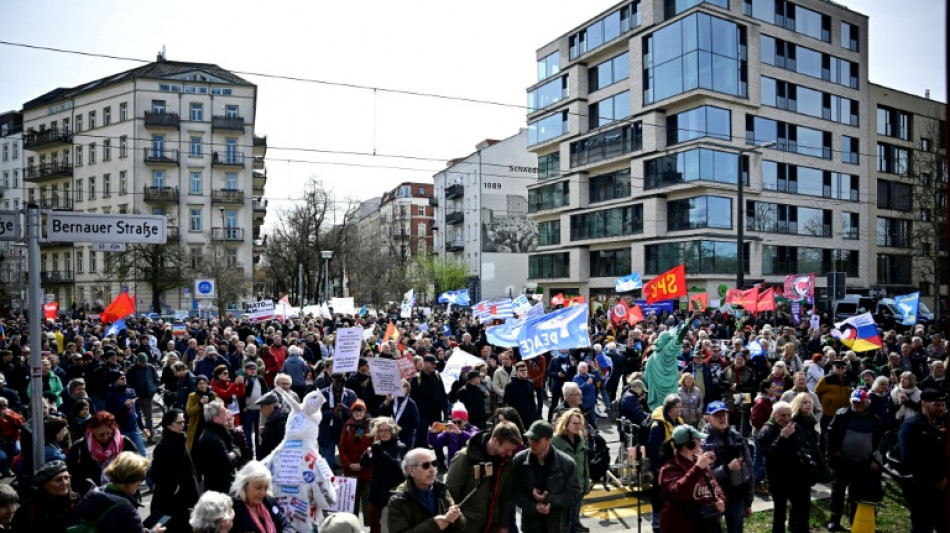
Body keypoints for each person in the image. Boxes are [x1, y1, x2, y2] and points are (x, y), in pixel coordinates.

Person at [445, 420, 522, 533]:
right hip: (467, 527)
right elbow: (450, 495)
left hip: (492, 526)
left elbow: (505, 496)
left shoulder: (506, 462)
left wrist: (503, 524)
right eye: (507, 449)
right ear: (495, 441)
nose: (510, 454)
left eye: (512, 450)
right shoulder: (465, 458)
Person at [824, 388, 883, 531]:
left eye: (861, 403)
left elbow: (880, 442)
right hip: (842, 463)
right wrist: (833, 452)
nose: (858, 406)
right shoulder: (841, 415)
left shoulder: (874, 420)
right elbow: (829, 434)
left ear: (867, 404)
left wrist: (876, 461)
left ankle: (854, 520)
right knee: (837, 492)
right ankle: (834, 520)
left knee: (856, 495)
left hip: (863, 464)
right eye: (855, 403)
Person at [512, 420, 581, 533]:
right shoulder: (519, 461)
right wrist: (535, 506)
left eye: (536, 440)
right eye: (530, 439)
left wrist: (548, 499)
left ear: (549, 440)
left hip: (558, 527)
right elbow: (515, 492)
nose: (532, 443)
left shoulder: (567, 464)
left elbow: (573, 494)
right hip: (531, 527)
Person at [657, 425, 726, 533]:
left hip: (704, 525)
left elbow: (715, 485)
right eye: (697, 438)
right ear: (689, 443)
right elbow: (679, 492)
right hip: (681, 527)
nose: (700, 441)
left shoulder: (698, 461)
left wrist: (721, 500)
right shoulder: (669, 468)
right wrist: (698, 468)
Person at [756, 401, 811, 533]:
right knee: (780, 512)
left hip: (797, 476)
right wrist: (782, 437)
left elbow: (804, 445)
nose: (786, 419)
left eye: (788, 415)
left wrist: (804, 456)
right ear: (774, 415)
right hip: (778, 478)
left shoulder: (795, 427)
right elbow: (768, 454)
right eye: (782, 416)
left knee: (801, 510)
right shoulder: (766, 431)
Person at [898, 388, 948, 533]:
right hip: (919, 485)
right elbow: (909, 459)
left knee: (942, 523)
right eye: (936, 404)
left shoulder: (942, 425)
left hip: (942, 485)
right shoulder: (911, 426)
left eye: (942, 404)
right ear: (924, 404)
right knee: (922, 525)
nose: (940, 408)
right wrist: (936, 478)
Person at [388, 447, 466, 533]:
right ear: (411, 470)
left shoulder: (441, 490)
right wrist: (432, 526)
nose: (432, 469)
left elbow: (460, 527)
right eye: (426, 465)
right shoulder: (398, 500)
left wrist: (457, 517)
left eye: (434, 463)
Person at [702, 401, 753, 533]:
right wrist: (727, 468)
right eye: (717, 415)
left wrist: (748, 501)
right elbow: (706, 475)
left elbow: (749, 470)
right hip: (713, 499)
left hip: (736, 497)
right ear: (708, 417)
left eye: (724, 414)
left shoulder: (737, 437)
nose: (722, 418)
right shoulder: (703, 441)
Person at [65, 410, 139, 495]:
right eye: (101, 434)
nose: (105, 437)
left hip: (123, 493)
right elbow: (70, 472)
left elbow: (138, 467)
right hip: (91, 496)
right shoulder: (80, 446)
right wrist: (83, 488)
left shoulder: (124, 442)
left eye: (109, 433)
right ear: (92, 430)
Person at [76, 451, 152, 532]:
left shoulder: (92, 496)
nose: (140, 483)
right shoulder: (127, 511)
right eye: (139, 479)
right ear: (130, 480)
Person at [150, 409, 200, 533]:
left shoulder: (179, 438)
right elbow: (156, 474)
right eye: (179, 423)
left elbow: (187, 464)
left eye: (183, 422)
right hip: (173, 500)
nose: (183, 425)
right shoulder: (163, 446)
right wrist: (175, 488)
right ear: (168, 424)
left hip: (185, 494)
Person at [360, 417, 408, 533]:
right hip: (377, 489)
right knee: (374, 523)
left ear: (393, 431)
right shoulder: (376, 445)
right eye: (381, 431)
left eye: (387, 430)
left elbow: (397, 467)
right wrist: (367, 454)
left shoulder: (400, 446)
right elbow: (363, 464)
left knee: (396, 525)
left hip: (393, 490)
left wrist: (381, 454)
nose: (384, 433)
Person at [551, 408, 591, 533]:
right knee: (564, 522)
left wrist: (585, 485)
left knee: (574, 518)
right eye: (574, 423)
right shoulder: (555, 441)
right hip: (563, 490)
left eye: (579, 424)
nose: (577, 426)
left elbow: (584, 464)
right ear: (566, 423)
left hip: (578, 487)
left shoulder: (581, 439)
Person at [12, 460, 79, 531]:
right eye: (58, 480)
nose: (65, 482)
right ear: (44, 485)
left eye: (66, 478)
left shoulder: (75, 499)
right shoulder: (29, 509)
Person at [228, 461, 293, 533]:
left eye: (266, 488)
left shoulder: (268, 501)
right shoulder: (232, 508)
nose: (263, 493)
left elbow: (286, 524)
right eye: (258, 487)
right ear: (244, 485)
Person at [338, 399, 373, 524]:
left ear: (365, 411)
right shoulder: (347, 426)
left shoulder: (371, 425)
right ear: (351, 412)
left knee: (368, 504)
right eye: (355, 411)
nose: (358, 413)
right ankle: (353, 527)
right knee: (351, 504)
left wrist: (363, 464)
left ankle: (370, 528)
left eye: (361, 410)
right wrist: (349, 464)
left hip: (367, 472)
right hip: (351, 472)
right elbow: (342, 448)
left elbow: (375, 447)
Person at [196, 400, 241, 494]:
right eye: (224, 414)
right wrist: (234, 454)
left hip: (225, 484)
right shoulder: (212, 439)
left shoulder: (221, 432)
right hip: (219, 490)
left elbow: (237, 448)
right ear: (215, 418)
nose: (227, 417)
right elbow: (228, 463)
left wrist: (233, 453)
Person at [319, 373, 358, 468]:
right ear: (332, 380)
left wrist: (344, 409)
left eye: (343, 382)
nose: (340, 384)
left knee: (349, 463)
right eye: (338, 381)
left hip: (345, 431)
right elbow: (315, 414)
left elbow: (357, 414)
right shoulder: (322, 394)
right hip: (327, 432)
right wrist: (332, 413)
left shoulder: (351, 394)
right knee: (326, 464)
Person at [127, 352, 161, 444]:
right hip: (135, 398)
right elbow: (128, 383)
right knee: (135, 418)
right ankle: (136, 438)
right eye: (141, 362)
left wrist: (154, 389)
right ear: (137, 361)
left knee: (148, 418)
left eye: (144, 362)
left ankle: (150, 437)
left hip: (147, 397)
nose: (143, 364)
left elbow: (156, 379)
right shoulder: (132, 370)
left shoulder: (151, 368)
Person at [377, 380, 420, 448]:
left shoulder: (411, 403)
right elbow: (381, 414)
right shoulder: (392, 400)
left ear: (408, 390)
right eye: (398, 386)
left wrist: (401, 427)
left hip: (405, 436)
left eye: (403, 386)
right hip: (392, 434)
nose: (400, 388)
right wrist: (387, 402)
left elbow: (415, 422)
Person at [815, 360, 852, 436]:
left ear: (845, 369)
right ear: (833, 368)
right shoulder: (825, 379)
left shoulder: (847, 380)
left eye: (842, 367)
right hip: (828, 414)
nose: (840, 369)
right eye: (838, 367)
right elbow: (816, 394)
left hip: (842, 414)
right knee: (825, 435)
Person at [241, 361, 268, 454]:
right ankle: (249, 454)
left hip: (259, 410)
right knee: (247, 434)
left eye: (254, 369)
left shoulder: (260, 379)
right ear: (246, 370)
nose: (252, 371)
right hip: (248, 410)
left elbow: (266, 393)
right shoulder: (243, 380)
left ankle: (259, 454)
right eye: (250, 369)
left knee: (259, 434)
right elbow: (241, 395)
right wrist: (243, 407)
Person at [186, 375, 216, 452]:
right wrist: (199, 404)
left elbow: (218, 410)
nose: (202, 385)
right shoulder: (192, 396)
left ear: (207, 384)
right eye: (200, 383)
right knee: (195, 451)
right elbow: (189, 412)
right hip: (197, 428)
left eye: (204, 383)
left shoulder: (213, 395)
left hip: (210, 427)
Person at [506, 361, 540, 428]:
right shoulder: (510, 386)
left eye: (525, 370)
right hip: (517, 418)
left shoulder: (530, 384)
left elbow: (533, 402)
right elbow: (507, 404)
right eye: (521, 370)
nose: (524, 372)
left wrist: (536, 417)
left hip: (530, 418)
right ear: (516, 372)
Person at [255, 391, 287, 460]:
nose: (261, 410)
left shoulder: (281, 423)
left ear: (271, 406)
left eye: (262, 407)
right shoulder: (271, 420)